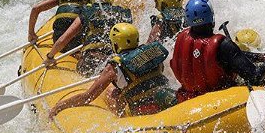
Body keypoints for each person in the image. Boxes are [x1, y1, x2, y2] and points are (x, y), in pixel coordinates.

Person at [48, 23, 177, 119]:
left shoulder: (114, 67)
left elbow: (87, 97)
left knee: (110, 92)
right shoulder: (152, 53)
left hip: (143, 111)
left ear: (115, 44)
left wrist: (59, 106)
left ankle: (120, 119)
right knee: (118, 92)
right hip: (167, 100)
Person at [170, 0, 265, 103]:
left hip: (186, 99)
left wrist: (260, 56)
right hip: (218, 101)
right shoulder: (223, 45)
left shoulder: (181, 38)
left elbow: (223, 56)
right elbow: (256, 79)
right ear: (212, 17)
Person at [44, 0, 132, 77]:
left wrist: (50, 56)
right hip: (112, 62)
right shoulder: (122, 13)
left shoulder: (87, 12)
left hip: (90, 61)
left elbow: (64, 39)